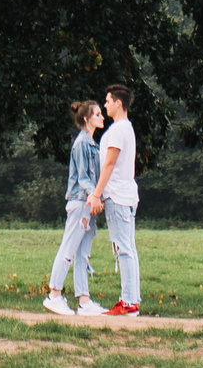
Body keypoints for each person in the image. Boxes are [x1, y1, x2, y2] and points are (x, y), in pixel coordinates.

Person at [42, 101, 106, 316]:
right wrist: (95, 196)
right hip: (80, 203)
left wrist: (96, 198)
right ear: (86, 118)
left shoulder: (92, 144)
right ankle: (54, 294)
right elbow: (83, 178)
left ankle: (84, 301)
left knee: (82, 254)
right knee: (68, 249)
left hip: (88, 204)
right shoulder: (81, 144)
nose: (102, 117)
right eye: (98, 114)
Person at [86, 83, 139, 315]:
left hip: (117, 195)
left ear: (119, 103)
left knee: (124, 249)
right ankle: (131, 300)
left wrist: (97, 193)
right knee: (128, 248)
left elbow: (109, 163)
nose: (105, 104)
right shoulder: (126, 128)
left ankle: (128, 302)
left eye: (108, 101)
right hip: (125, 195)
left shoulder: (118, 130)